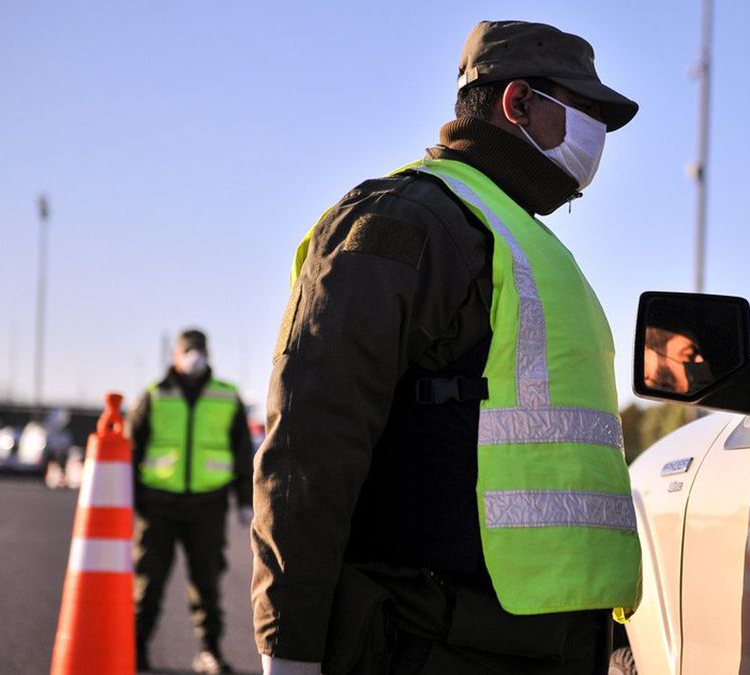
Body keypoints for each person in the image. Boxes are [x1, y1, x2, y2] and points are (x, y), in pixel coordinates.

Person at [252, 20, 641, 675]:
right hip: (434, 641)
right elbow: (313, 440)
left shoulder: (522, 238)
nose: (597, 134)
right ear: (518, 103)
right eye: (585, 110)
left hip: (543, 645)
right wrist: (287, 648)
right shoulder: (405, 218)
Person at [128, 328, 254, 674]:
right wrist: (132, 498)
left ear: (208, 353)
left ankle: (209, 651)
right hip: (157, 506)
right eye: (187, 350)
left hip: (208, 506)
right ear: (175, 355)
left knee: (207, 584)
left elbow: (243, 452)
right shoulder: (155, 395)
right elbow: (131, 447)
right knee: (148, 582)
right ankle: (135, 649)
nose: (193, 356)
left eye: (198, 350)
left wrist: (245, 500)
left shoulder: (227, 396)